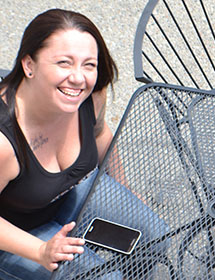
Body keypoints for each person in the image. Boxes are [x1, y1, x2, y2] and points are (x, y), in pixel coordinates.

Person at [0, 9, 169, 280]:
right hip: (20, 236)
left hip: (69, 195)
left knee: (156, 239)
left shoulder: (88, 97)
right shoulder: (4, 142)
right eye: (64, 63)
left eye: (88, 64)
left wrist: (123, 188)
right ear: (29, 65)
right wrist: (41, 250)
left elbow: (100, 135)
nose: (78, 78)